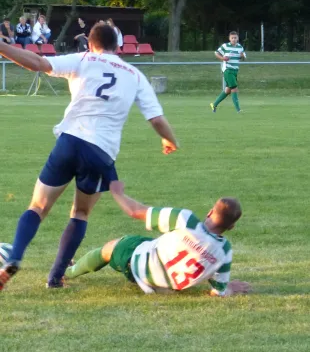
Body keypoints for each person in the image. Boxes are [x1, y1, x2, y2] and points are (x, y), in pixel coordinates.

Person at [0, 24, 178, 291]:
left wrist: (2, 47)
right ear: (117, 46)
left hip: (70, 141)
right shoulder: (134, 74)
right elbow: (156, 119)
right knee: (80, 212)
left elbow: (37, 62)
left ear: (90, 44)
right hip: (101, 152)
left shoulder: (82, 60)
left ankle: (14, 257)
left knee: (37, 206)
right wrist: (169, 140)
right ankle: (55, 277)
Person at [65, 181, 251, 297]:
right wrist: (230, 288)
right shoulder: (224, 252)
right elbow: (218, 292)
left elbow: (135, 211)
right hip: (167, 285)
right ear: (231, 227)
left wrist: (117, 192)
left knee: (110, 248)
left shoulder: (186, 220)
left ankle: (68, 271)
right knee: (151, 242)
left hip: (139, 267)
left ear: (210, 212)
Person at [210, 31, 246, 114]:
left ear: (238, 38)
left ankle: (214, 104)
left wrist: (242, 56)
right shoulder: (225, 46)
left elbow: (243, 57)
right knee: (234, 88)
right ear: (229, 38)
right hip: (227, 70)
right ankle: (238, 110)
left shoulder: (240, 47)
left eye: (235, 38)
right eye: (232, 38)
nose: (234, 39)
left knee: (228, 90)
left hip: (235, 70)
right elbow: (216, 53)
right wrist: (222, 58)